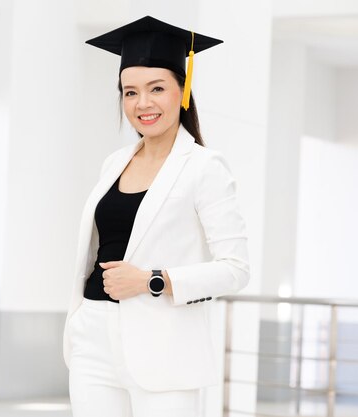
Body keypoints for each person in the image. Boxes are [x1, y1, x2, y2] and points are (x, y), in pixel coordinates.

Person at [62, 16, 250, 417]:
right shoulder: (114, 163)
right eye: (130, 92)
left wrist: (152, 280)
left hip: (164, 347)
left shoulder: (205, 167)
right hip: (93, 338)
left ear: (182, 92)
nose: (142, 103)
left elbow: (236, 269)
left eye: (157, 89)